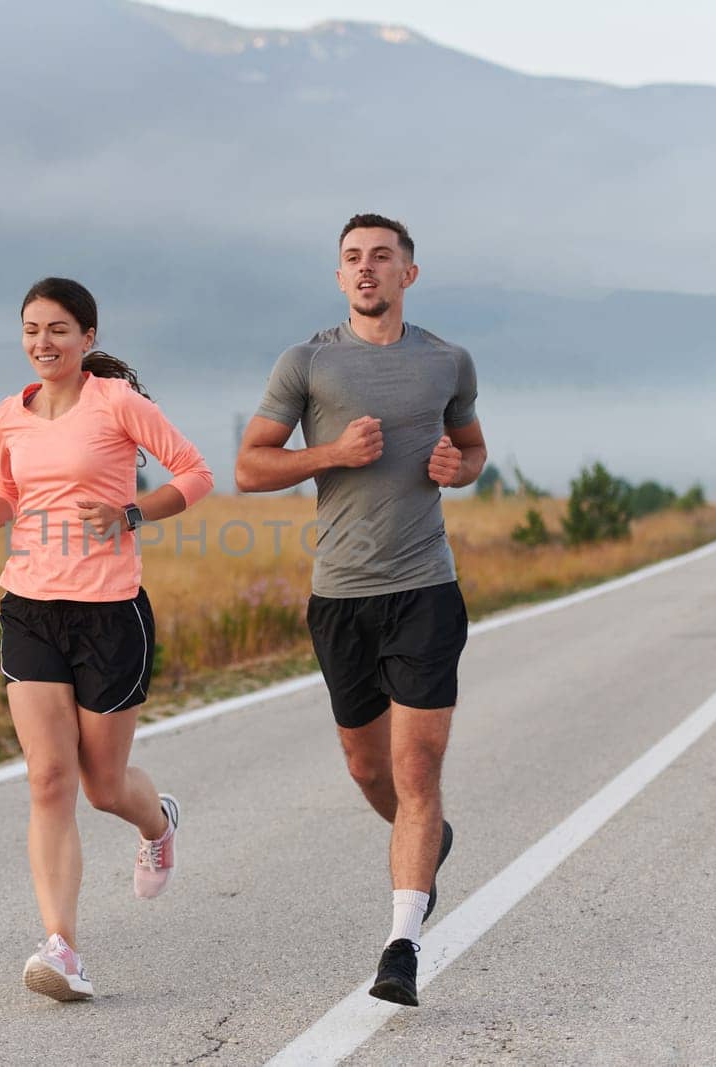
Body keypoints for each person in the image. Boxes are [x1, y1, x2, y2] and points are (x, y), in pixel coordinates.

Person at [234, 214, 486, 1006]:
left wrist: (461, 465)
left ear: (409, 273)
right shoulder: (307, 361)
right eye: (353, 259)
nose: (367, 269)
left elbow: (473, 449)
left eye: (382, 257)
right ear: (339, 278)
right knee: (368, 767)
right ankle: (428, 836)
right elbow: (249, 467)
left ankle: (402, 943)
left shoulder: (448, 360)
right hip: (341, 595)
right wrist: (333, 455)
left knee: (416, 768)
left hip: (425, 590)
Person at [0, 277, 213, 1001]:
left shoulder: (118, 403)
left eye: (59, 330)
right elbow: (13, 489)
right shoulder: (11, 412)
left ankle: (157, 821)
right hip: (30, 605)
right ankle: (62, 947)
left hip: (109, 613)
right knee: (49, 778)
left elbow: (196, 474)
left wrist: (131, 512)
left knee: (104, 786)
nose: (44, 342)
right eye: (32, 330)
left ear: (88, 338)